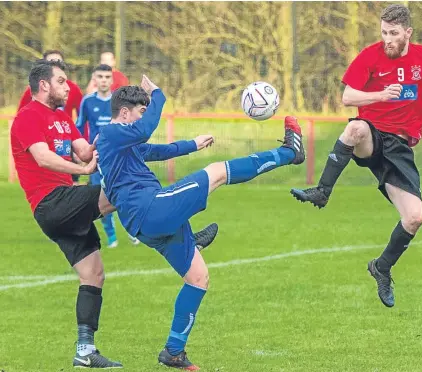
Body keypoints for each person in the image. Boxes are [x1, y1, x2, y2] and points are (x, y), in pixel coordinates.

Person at [10, 61, 218, 369]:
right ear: (44, 86)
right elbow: (43, 158)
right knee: (122, 191)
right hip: (51, 202)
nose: (69, 87)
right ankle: (178, 237)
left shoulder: (62, 119)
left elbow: (85, 150)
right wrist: (81, 170)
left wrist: (105, 142)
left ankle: (85, 350)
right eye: (62, 82)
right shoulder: (27, 116)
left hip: (67, 210)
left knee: (93, 275)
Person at [96, 75, 305, 370]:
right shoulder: (110, 134)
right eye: (140, 111)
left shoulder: (122, 146)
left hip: (146, 222)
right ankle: (289, 153)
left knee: (198, 278)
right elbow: (144, 130)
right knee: (217, 172)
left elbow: (158, 151)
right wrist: (157, 94)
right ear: (125, 112)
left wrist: (192, 144)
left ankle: (173, 351)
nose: (143, 117)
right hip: (151, 209)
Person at [290, 4, 422, 308]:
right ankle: (322, 192)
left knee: (415, 218)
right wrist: (380, 95)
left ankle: (382, 267)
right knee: (355, 130)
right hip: (373, 138)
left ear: (408, 33)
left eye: (393, 33)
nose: (387, 39)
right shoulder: (371, 56)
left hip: (400, 150)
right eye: (383, 32)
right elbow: (347, 97)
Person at [77, 64, 140, 248]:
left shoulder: (119, 102)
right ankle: (111, 236)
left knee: (125, 194)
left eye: (107, 77)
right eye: (100, 76)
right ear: (94, 79)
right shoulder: (87, 102)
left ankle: (131, 229)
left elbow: (130, 127)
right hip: (98, 159)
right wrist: (81, 151)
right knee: (101, 198)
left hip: (119, 158)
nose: (103, 80)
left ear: (112, 80)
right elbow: (79, 128)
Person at [17, 50, 85, 185]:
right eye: (51, 63)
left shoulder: (72, 89)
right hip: (43, 145)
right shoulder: (31, 95)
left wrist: (79, 147)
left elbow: (82, 119)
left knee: (73, 188)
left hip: (65, 143)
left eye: (59, 63)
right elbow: (22, 117)